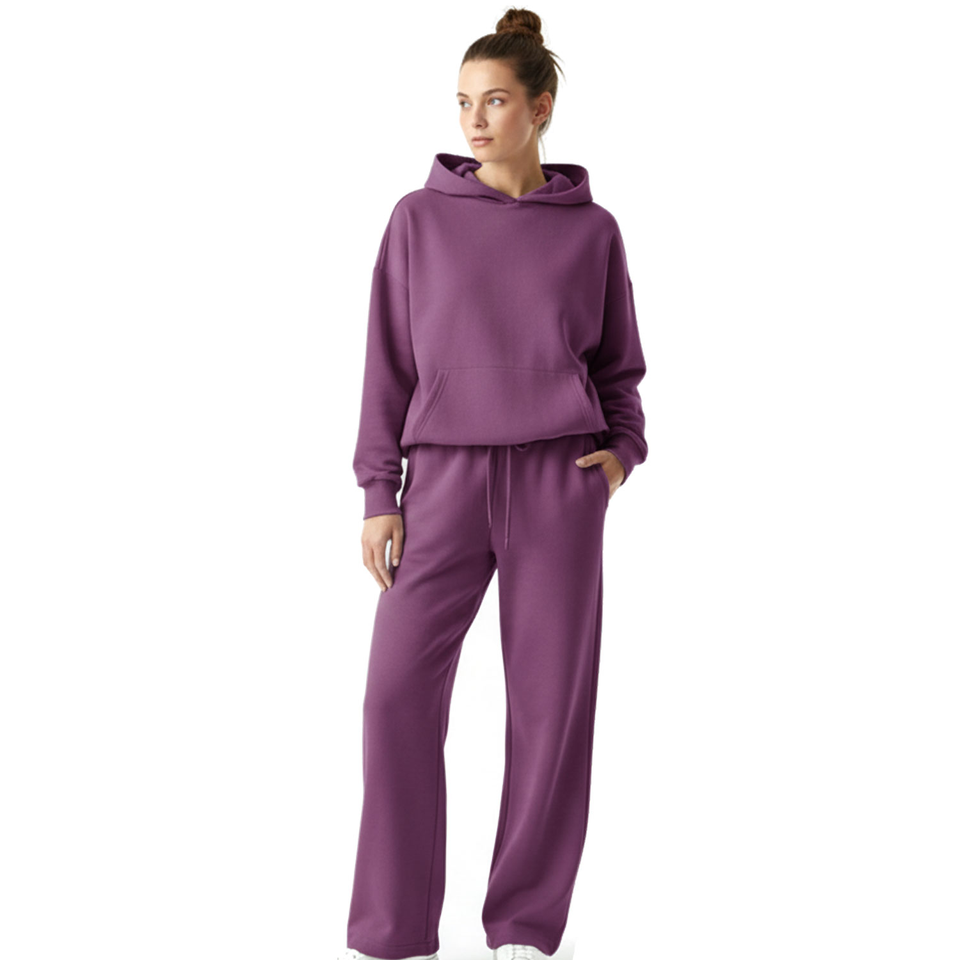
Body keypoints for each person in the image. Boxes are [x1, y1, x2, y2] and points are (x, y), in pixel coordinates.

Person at [339, 8, 649, 960]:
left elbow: (619, 367)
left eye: (496, 101)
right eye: (464, 103)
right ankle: (393, 931)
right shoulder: (418, 219)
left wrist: (622, 453)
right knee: (394, 698)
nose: (475, 120)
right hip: (442, 482)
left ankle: (522, 928)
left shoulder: (592, 232)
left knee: (551, 711)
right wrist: (379, 492)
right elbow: (387, 363)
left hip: (560, 479)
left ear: (540, 108)